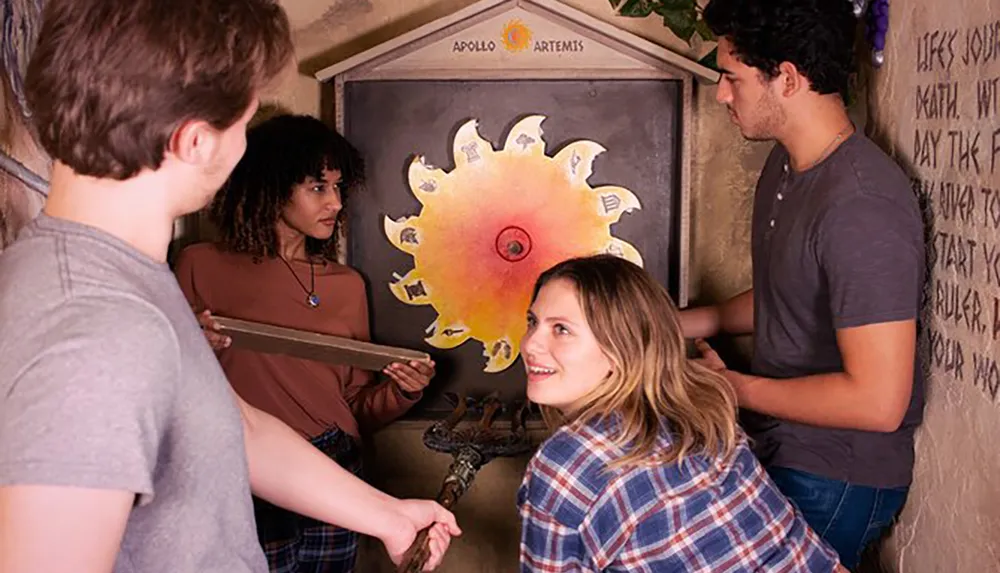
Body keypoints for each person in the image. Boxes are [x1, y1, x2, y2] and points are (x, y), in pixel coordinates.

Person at [0, 2, 459, 572]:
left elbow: (229, 424)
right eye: (242, 124)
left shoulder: (123, 274)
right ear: (196, 142)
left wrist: (386, 517)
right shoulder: (97, 334)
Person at [681, 0, 926, 568]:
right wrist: (682, 322)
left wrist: (732, 389)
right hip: (778, 447)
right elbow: (791, 297)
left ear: (787, 78)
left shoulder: (861, 206)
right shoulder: (787, 166)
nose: (721, 94)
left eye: (732, 78)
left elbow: (878, 402)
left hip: (836, 475)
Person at [174, 113, 435, 573]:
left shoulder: (347, 285)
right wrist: (195, 349)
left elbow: (355, 407)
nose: (335, 202)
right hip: (244, 474)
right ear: (272, 189)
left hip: (337, 470)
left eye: (339, 188)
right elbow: (168, 390)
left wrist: (403, 391)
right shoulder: (199, 265)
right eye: (318, 188)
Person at [517, 255, 845, 572]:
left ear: (622, 348)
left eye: (561, 329)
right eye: (533, 322)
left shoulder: (566, 466)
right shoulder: (697, 409)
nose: (531, 344)